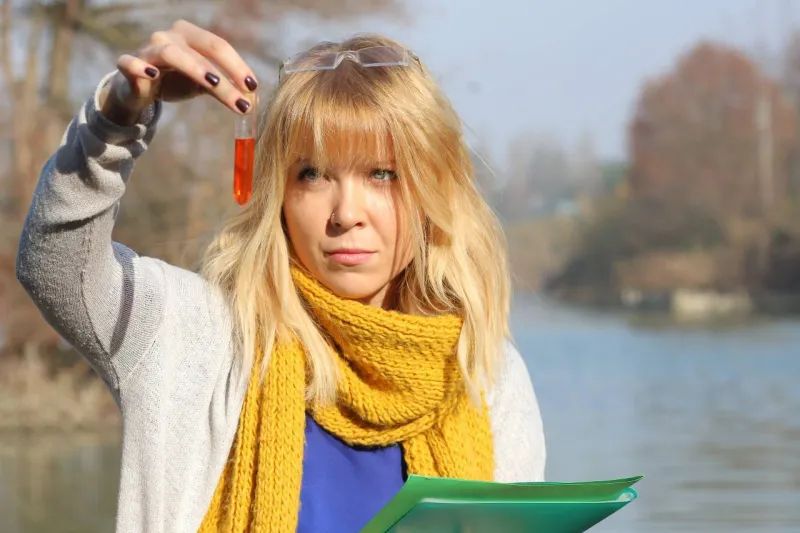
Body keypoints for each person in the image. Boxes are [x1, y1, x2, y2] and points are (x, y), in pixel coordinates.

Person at [16, 20, 546, 533]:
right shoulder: (196, 334)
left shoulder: (485, 373)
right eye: (312, 174)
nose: (346, 213)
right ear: (279, 194)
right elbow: (57, 266)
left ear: (433, 189)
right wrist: (114, 123)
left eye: (382, 174)